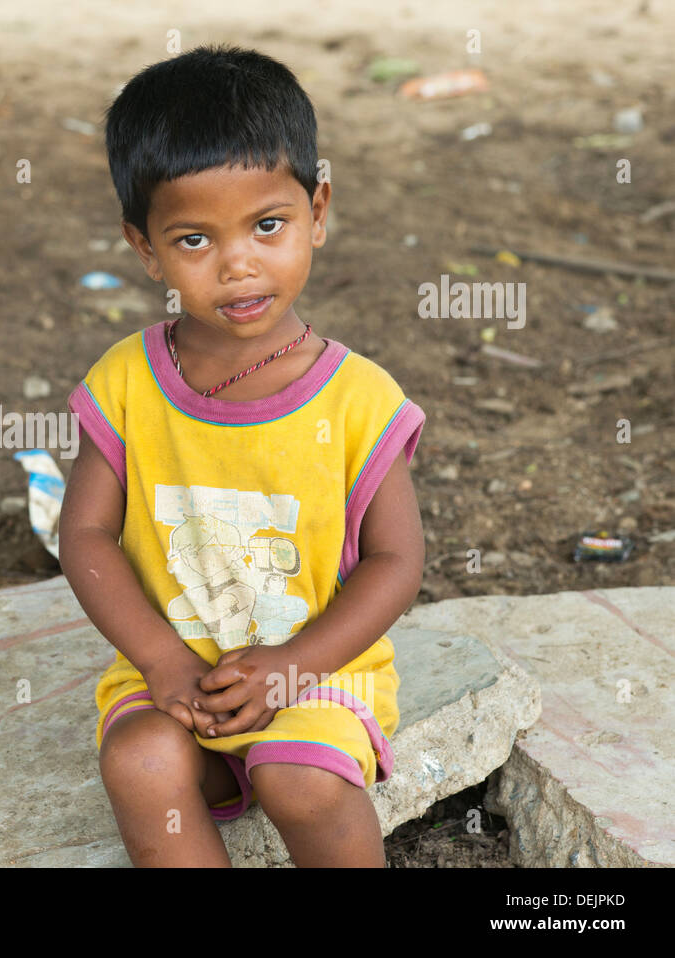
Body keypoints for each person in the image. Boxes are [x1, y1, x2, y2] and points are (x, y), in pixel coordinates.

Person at [59, 43, 427, 868]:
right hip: (173, 672)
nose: (239, 264)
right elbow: (83, 537)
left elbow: (398, 561)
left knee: (300, 778)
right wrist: (161, 660)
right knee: (138, 761)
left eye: (269, 225)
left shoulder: (357, 398)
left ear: (318, 210)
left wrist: (293, 667)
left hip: (318, 667)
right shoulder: (127, 383)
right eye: (194, 240)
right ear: (145, 248)